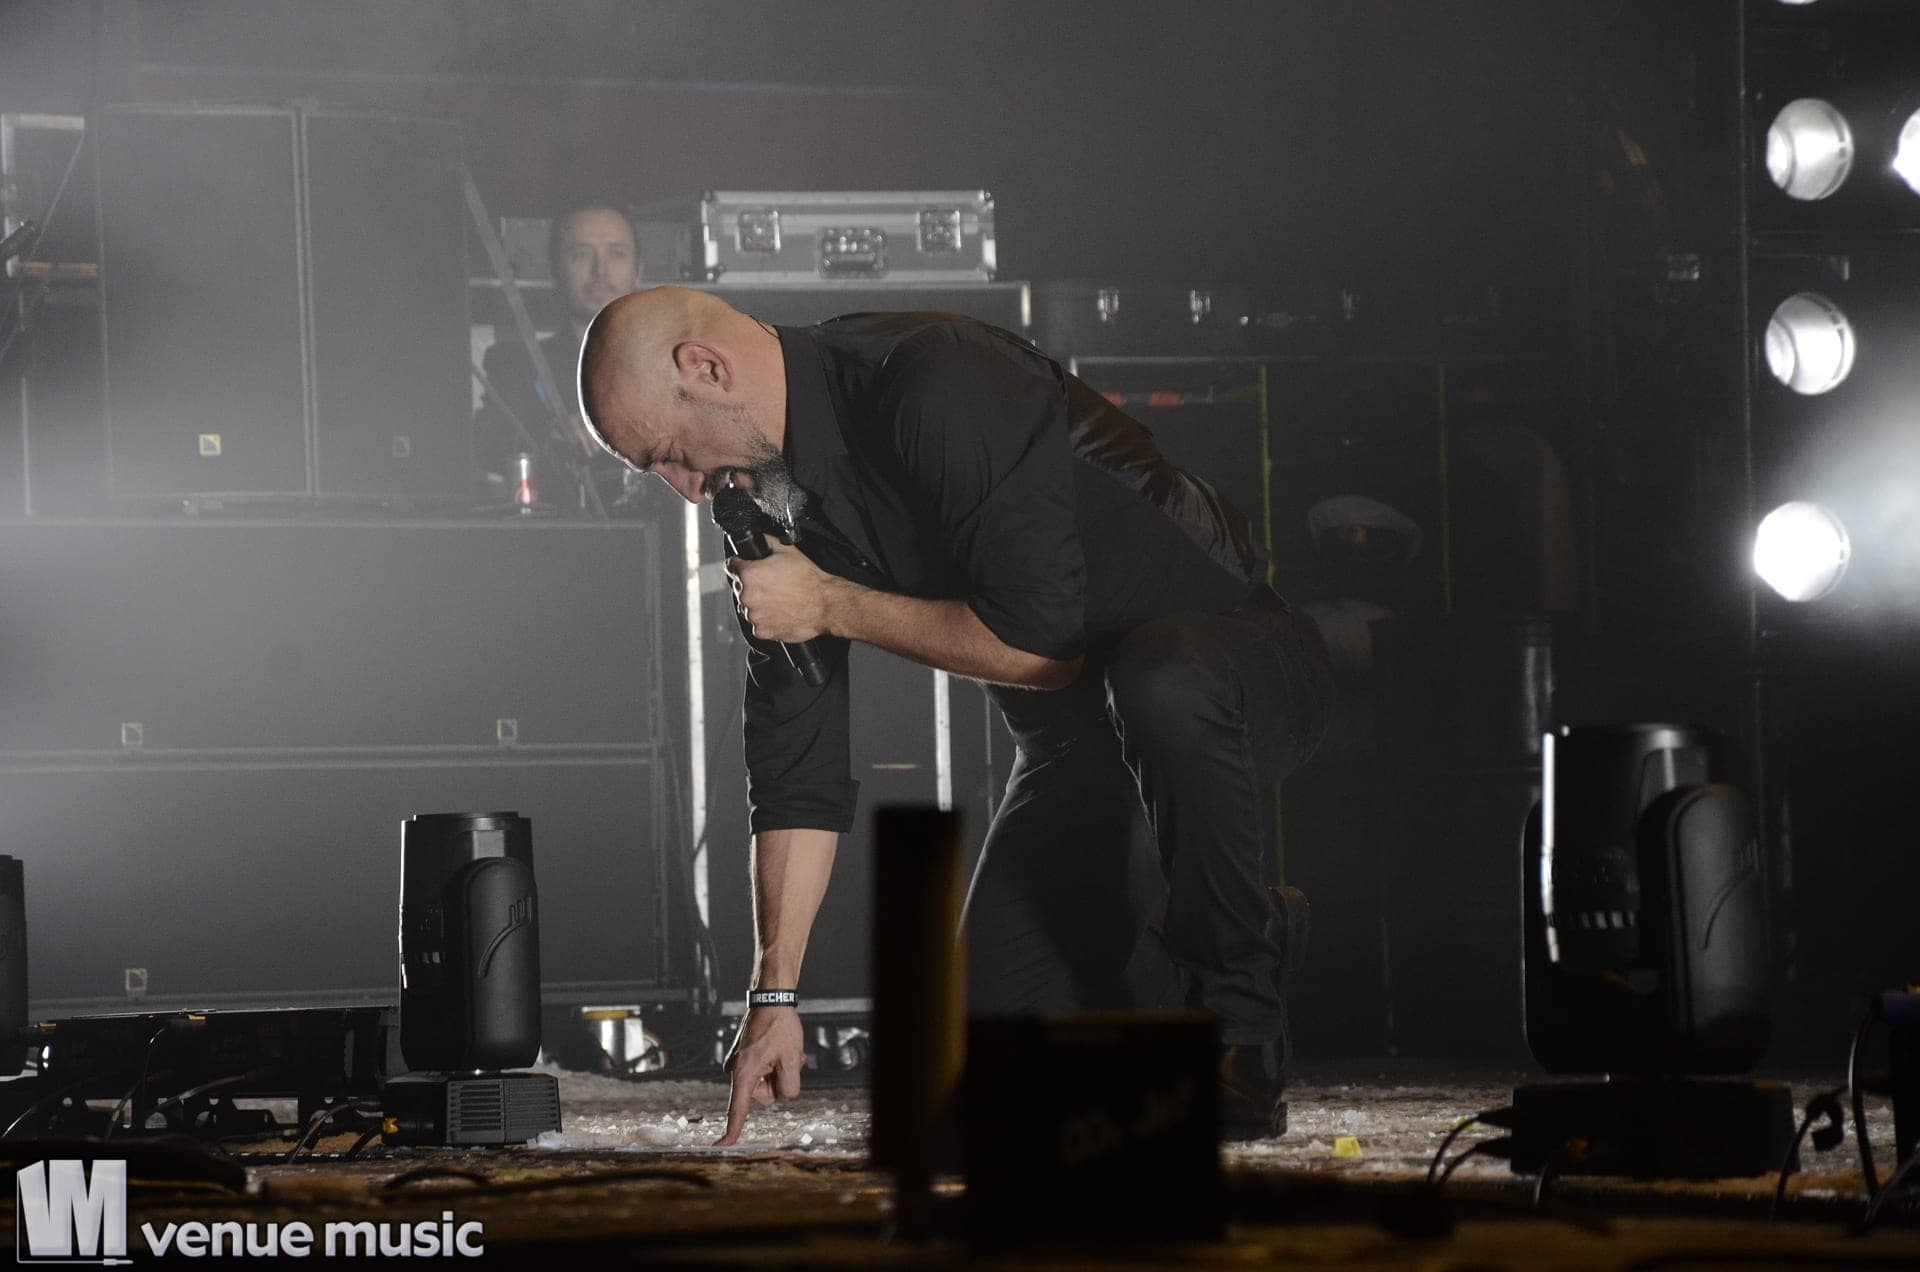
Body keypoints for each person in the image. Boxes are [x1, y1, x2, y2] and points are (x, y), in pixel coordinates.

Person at [577, 286, 1335, 1145]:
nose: (685, 489)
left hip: (1236, 670)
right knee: (968, 1093)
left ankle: (1240, 1020)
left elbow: (1043, 645)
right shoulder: (760, 500)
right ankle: (1223, 924)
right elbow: (797, 764)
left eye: (670, 454)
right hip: (1081, 748)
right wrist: (773, 995)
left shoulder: (937, 379)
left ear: (707, 369)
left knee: (1160, 677)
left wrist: (827, 602)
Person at [473, 198, 642, 478]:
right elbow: (488, 447)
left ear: (638, 271)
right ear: (554, 270)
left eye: (617, 254)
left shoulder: (681, 367)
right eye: (581, 255)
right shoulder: (516, 366)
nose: (600, 271)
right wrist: (550, 438)